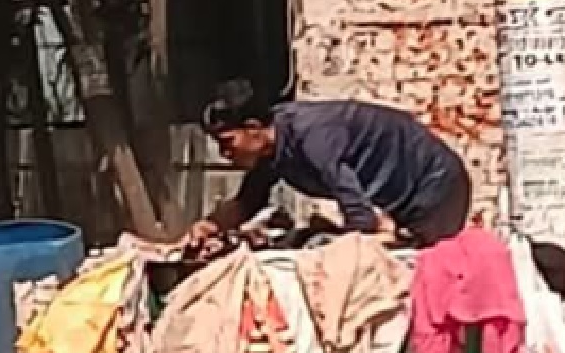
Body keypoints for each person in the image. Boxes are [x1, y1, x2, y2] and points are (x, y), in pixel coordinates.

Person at [191, 80, 473, 248]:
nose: (225, 154)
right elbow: (247, 202)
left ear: (253, 128)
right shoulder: (271, 151)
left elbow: (357, 211)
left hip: (434, 185)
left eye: (228, 142)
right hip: (399, 198)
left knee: (423, 271)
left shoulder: (312, 136)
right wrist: (209, 226)